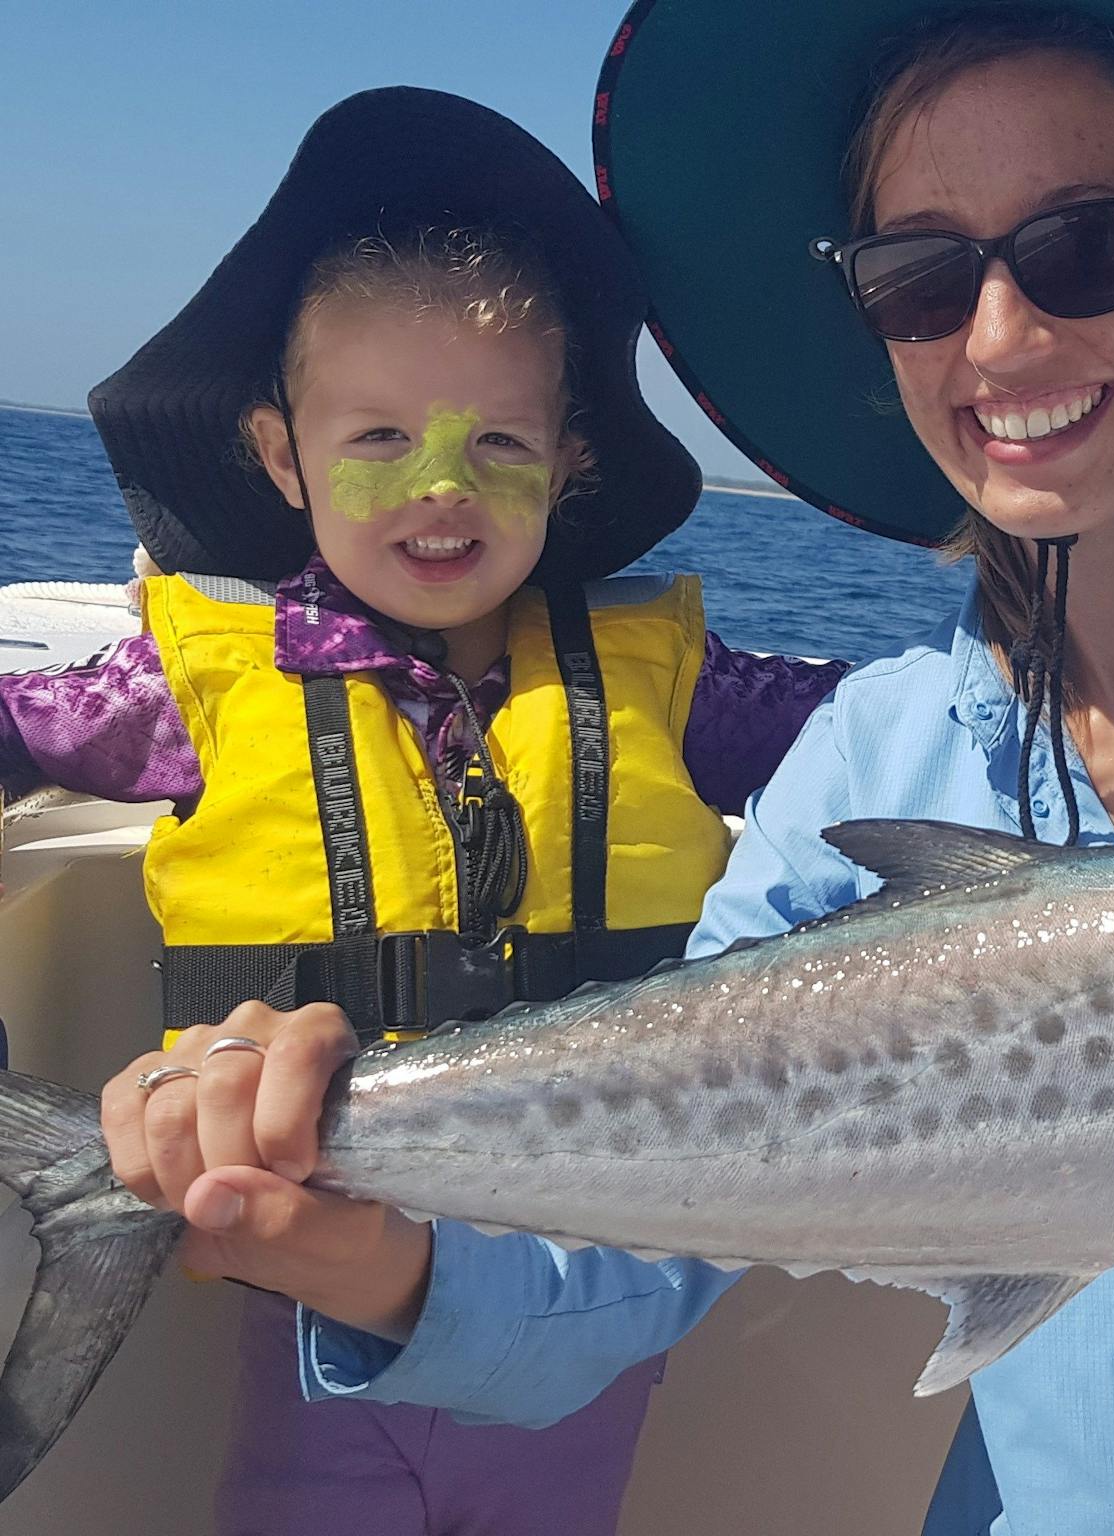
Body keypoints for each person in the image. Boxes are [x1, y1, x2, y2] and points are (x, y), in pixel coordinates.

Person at [103, 9, 1114, 1533]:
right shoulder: (872, 756)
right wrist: (344, 1235)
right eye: (919, 274)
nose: (998, 333)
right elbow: (618, 1267)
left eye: (1081, 246)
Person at [6, 88, 843, 1535]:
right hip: (306, 1269)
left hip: (590, 1273)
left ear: (569, 462)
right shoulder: (199, 685)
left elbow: (893, 735)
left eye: (500, 448)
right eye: (381, 436)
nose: (442, 489)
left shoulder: (671, 685)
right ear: (281, 456)